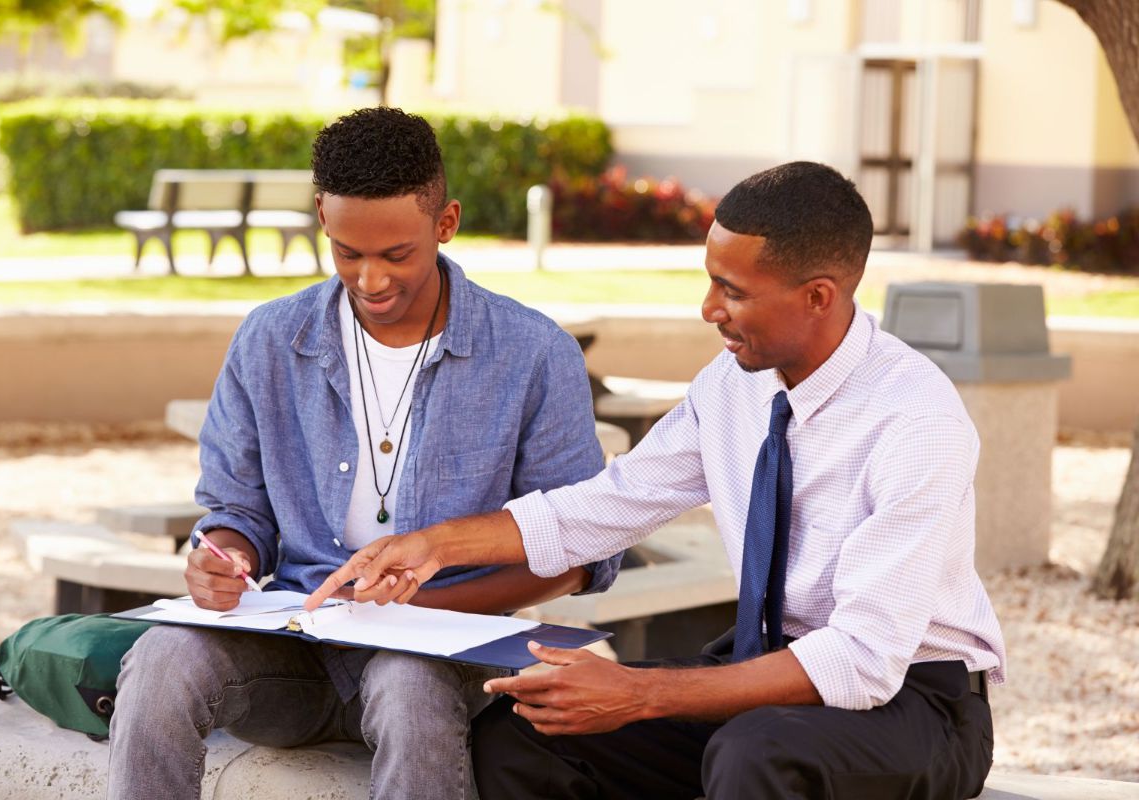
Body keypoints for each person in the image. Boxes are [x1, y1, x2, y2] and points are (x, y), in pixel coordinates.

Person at [306, 161, 1008, 800]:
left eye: (731, 291)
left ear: (818, 296)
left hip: (914, 703)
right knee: (523, 733)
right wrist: (436, 546)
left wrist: (638, 692)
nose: (708, 309)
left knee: (753, 756)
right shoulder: (733, 388)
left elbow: (862, 661)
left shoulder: (915, 423)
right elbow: (607, 506)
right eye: (710, 281)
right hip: (768, 674)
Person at [107, 107, 621, 800]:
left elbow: (580, 551)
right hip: (292, 651)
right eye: (348, 252)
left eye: (396, 255)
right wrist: (225, 557)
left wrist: (418, 611)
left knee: (407, 685)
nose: (371, 280)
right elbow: (236, 511)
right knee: (161, 658)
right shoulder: (269, 339)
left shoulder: (534, 354)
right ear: (321, 214)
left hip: (441, 652)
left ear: (446, 224)